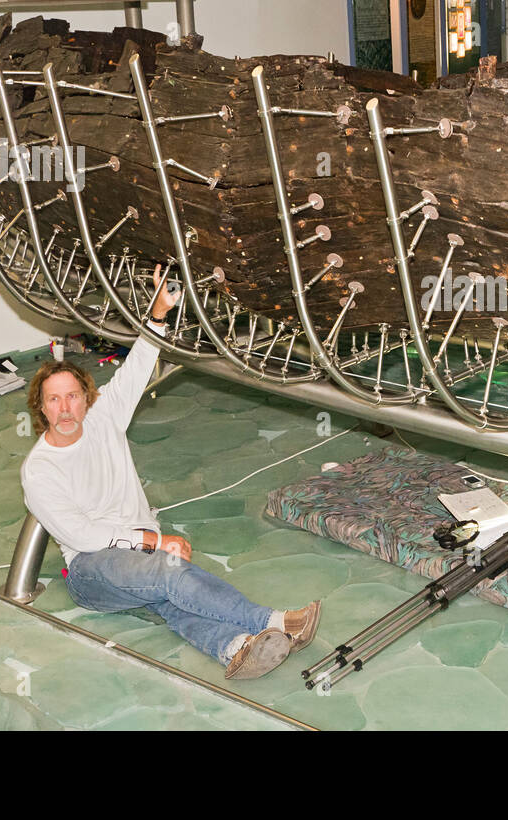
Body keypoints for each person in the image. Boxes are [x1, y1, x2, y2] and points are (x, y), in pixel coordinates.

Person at [20, 264, 319, 679]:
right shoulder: (40, 471)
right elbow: (84, 537)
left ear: (86, 399)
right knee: (167, 572)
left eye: (72, 396)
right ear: (41, 407)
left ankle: (234, 648)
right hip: (89, 572)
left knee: (167, 598)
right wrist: (153, 540)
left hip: (137, 556)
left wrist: (158, 314)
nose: (66, 408)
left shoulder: (103, 416)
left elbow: (138, 365)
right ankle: (272, 621)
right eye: (54, 400)